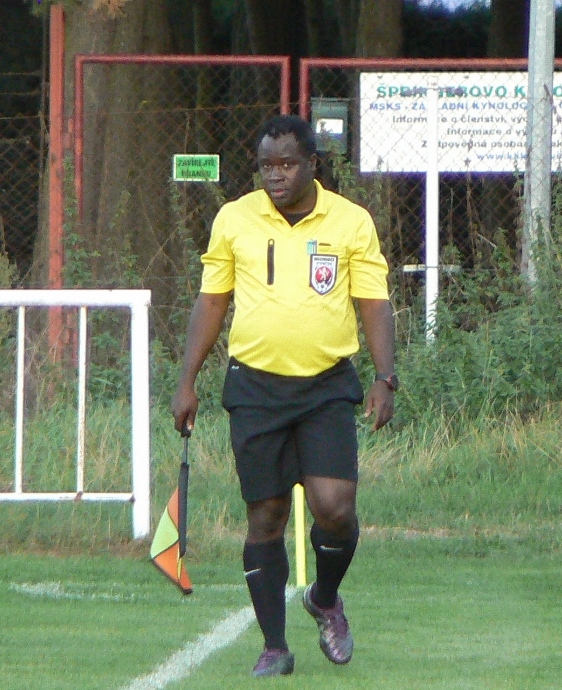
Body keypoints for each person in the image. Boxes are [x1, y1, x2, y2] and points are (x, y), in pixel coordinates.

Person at [171, 114, 397, 677]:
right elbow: (212, 301)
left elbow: (373, 301)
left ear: (312, 164)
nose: (275, 175)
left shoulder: (350, 221)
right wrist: (186, 380)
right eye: (266, 165)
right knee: (266, 515)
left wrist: (385, 376)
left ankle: (324, 597)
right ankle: (274, 645)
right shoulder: (235, 218)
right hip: (254, 387)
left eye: (287, 164)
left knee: (334, 507)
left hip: (326, 385)